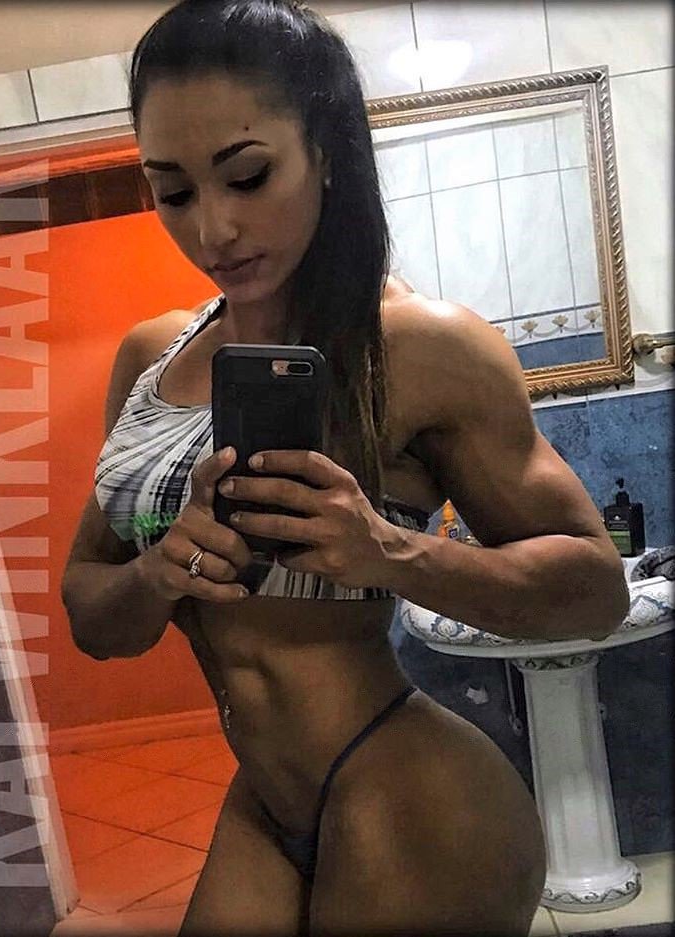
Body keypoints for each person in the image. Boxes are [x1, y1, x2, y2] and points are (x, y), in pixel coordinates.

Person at [61, 1, 629, 934]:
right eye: (173, 191)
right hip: (266, 798)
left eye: (248, 175)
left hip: (410, 792)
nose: (214, 229)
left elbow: (595, 589)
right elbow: (91, 612)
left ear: (326, 151)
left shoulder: (421, 346)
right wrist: (161, 569)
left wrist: (389, 553)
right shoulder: (149, 360)